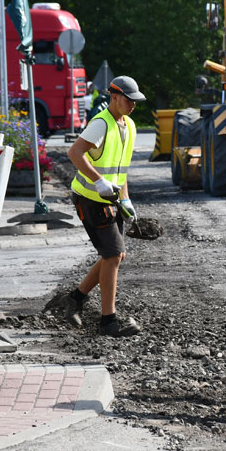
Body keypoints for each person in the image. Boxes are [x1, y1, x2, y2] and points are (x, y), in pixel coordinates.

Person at [51, 75, 145, 337]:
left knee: (115, 255)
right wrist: (99, 181)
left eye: (136, 101)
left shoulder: (129, 126)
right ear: (114, 97)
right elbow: (74, 153)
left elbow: (121, 169)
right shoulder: (100, 123)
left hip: (110, 198)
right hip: (90, 198)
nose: (133, 105)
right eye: (129, 100)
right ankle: (108, 322)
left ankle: (76, 299)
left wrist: (125, 198)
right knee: (113, 255)